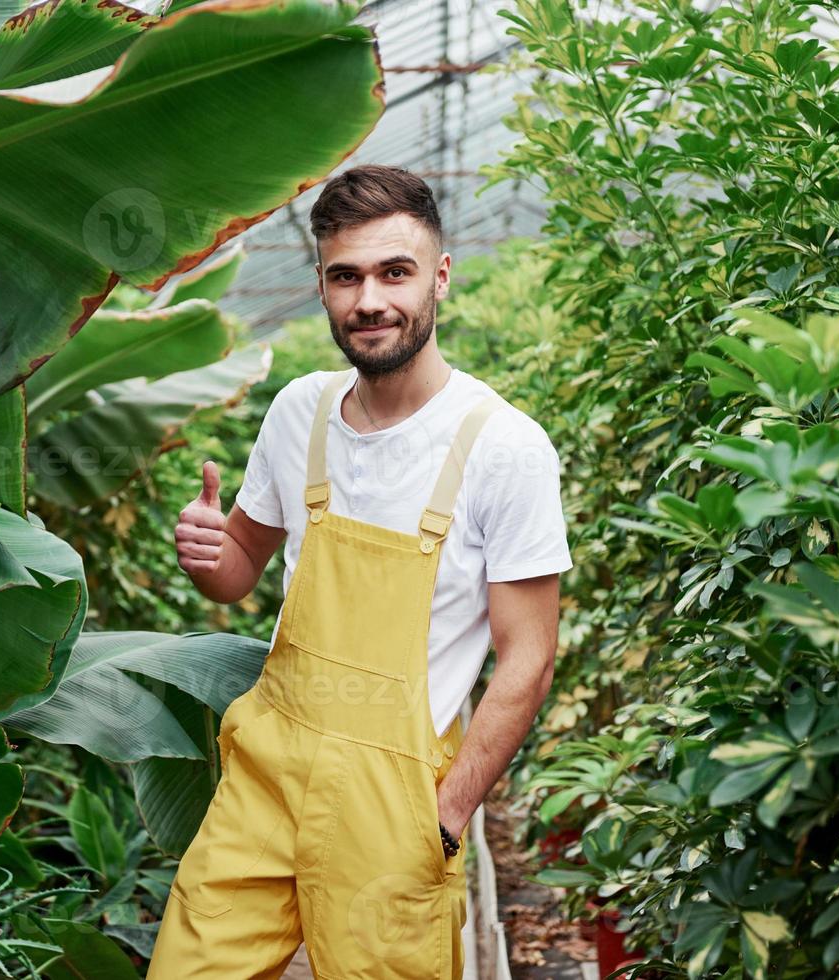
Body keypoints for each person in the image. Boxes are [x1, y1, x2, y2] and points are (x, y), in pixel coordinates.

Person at [146, 164, 573, 979]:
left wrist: (444, 817)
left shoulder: (502, 446)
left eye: (393, 272)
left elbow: (529, 656)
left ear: (438, 276)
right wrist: (207, 553)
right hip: (265, 776)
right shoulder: (297, 411)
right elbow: (237, 573)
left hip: (394, 801)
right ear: (321, 283)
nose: (368, 299)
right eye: (345, 276)